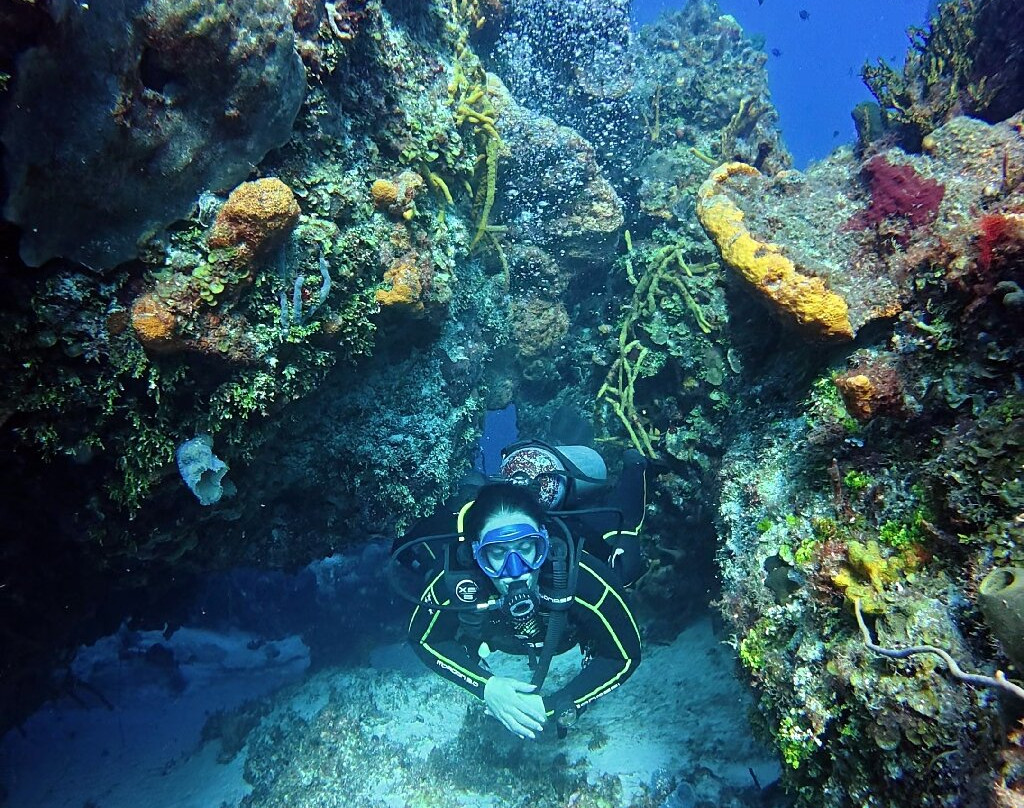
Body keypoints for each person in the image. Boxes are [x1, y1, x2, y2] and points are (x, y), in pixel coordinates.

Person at [396, 443, 648, 740]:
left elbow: (625, 655)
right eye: (497, 553)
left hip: (575, 599)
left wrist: (558, 707)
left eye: (528, 548)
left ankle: (636, 465)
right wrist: (486, 686)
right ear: (476, 555)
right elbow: (423, 638)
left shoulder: (576, 574)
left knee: (624, 563)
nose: (516, 569)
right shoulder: (460, 580)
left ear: (546, 544)